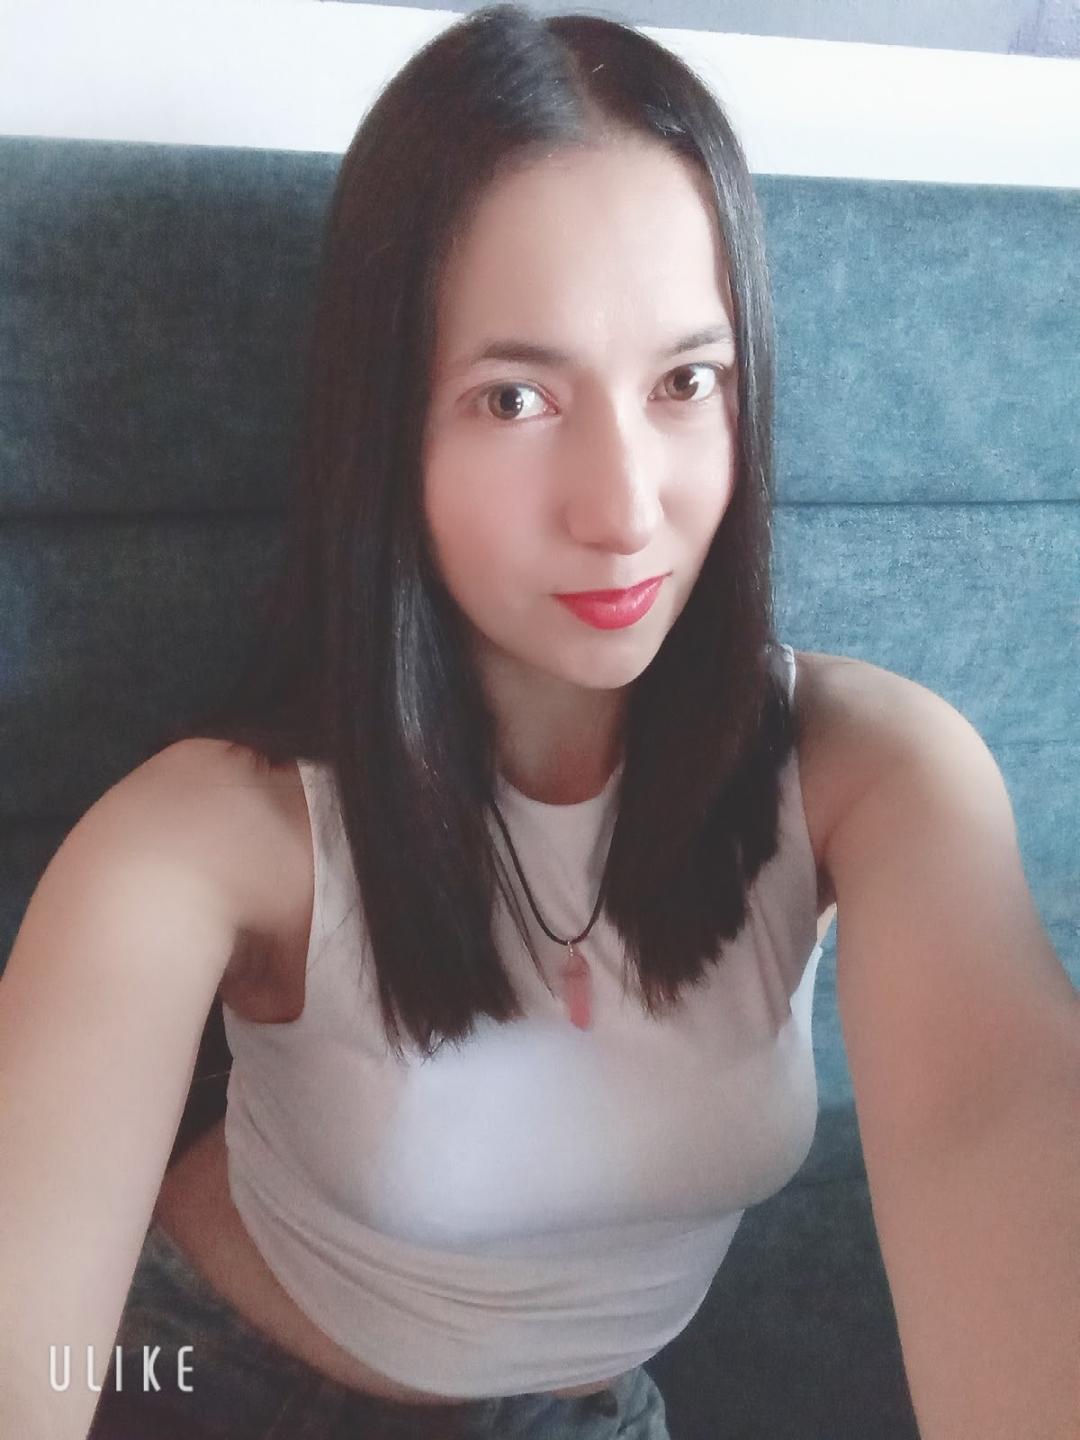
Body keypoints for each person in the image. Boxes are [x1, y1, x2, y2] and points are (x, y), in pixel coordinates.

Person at [2, 6, 1077, 1439]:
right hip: (210, 1380)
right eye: (515, 398)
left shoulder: (871, 773)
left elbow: (994, 1118)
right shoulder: (213, 837)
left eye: (685, 382)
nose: (625, 508)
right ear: (389, 426)